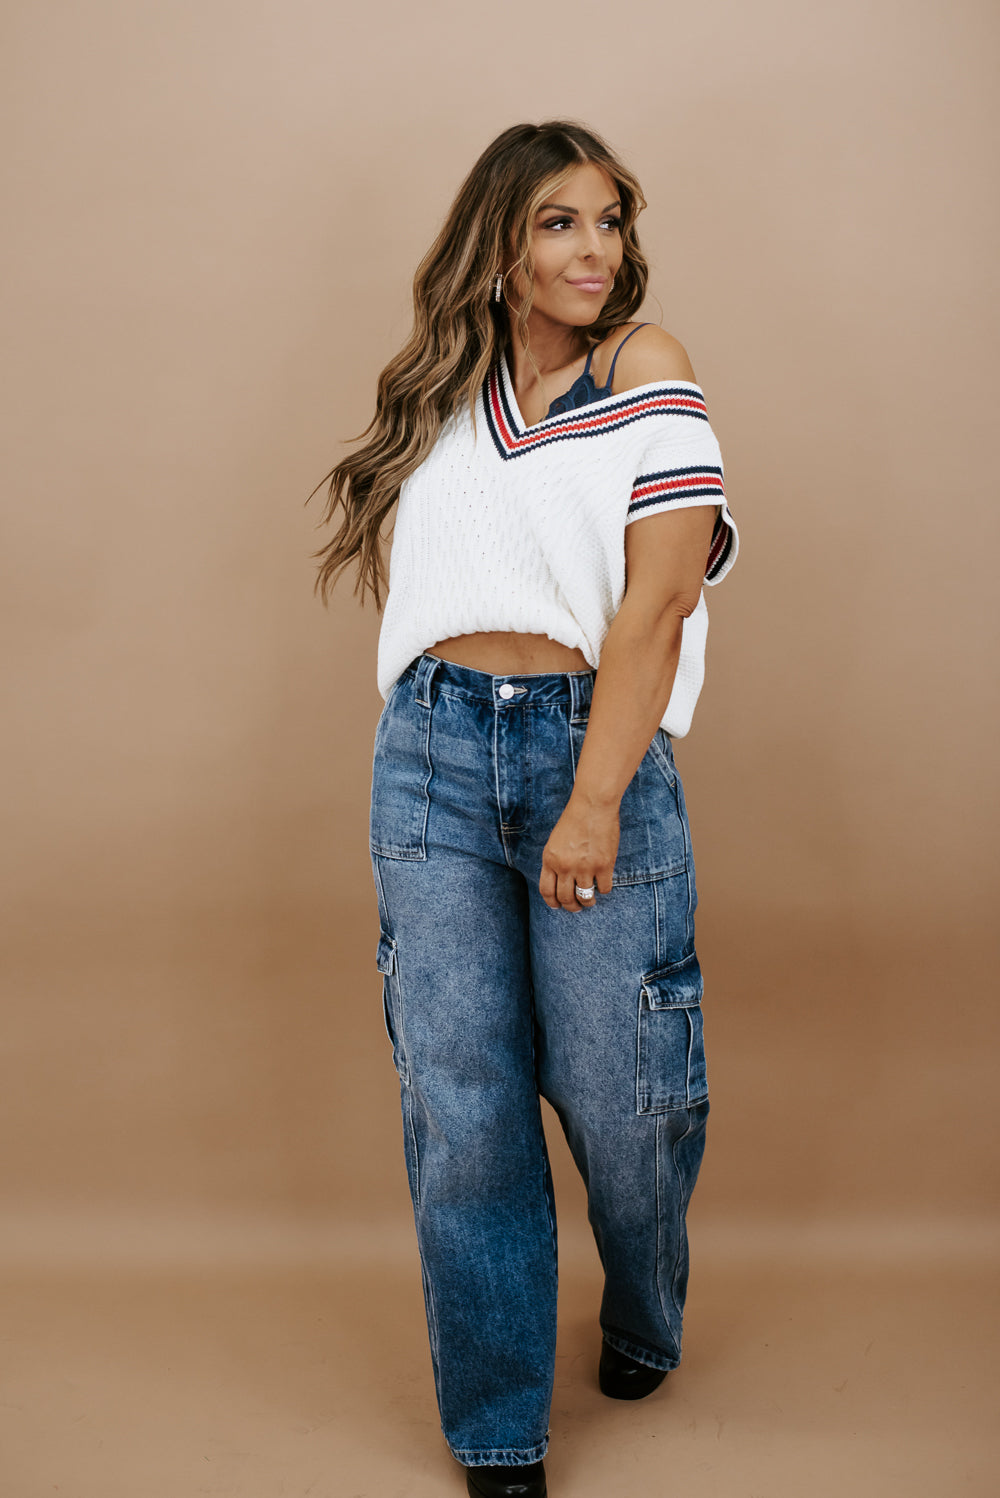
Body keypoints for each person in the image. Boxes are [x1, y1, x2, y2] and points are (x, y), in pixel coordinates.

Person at [313, 120, 738, 1498]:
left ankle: (645, 1304)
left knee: (625, 1099)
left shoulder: (645, 368)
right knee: (465, 1103)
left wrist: (595, 795)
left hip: (584, 748)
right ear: (498, 243)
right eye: (560, 222)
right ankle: (500, 1433)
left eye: (610, 221)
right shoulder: (444, 390)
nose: (595, 250)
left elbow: (660, 602)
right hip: (432, 755)